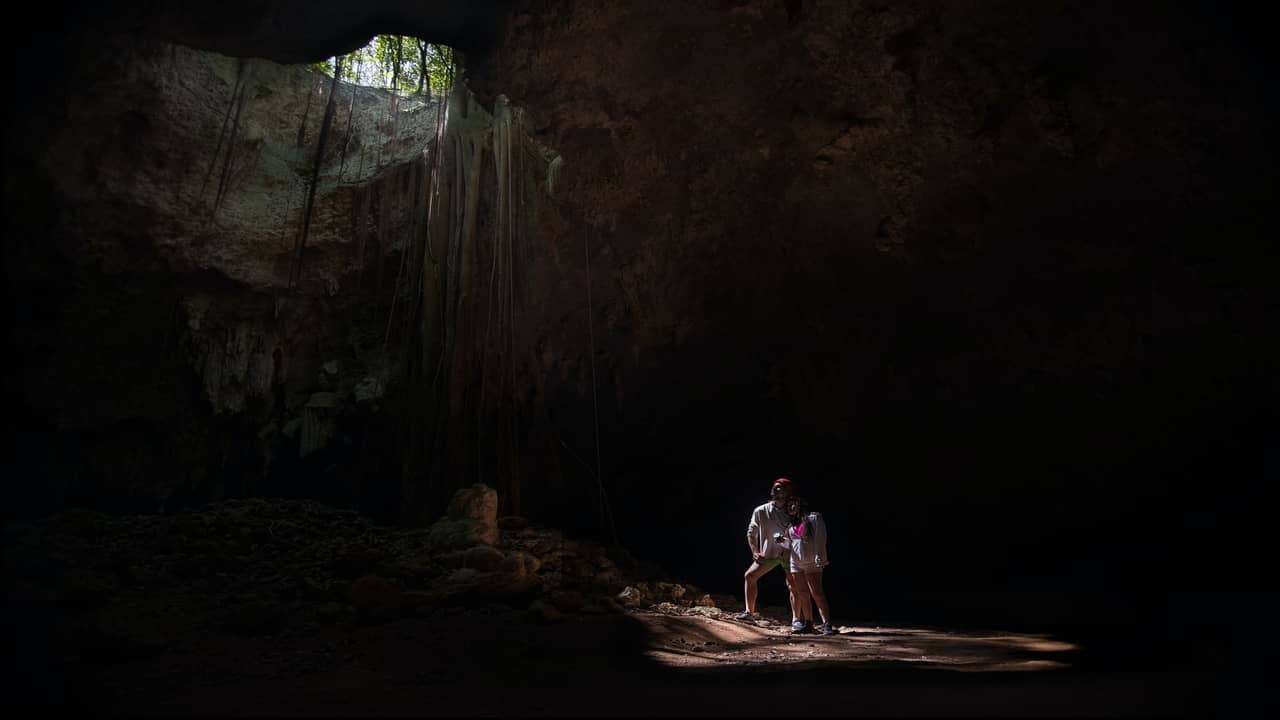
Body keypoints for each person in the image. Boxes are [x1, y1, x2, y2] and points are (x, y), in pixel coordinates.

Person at [738, 478, 799, 622]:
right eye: (776, 487)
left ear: (788, 492)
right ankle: (749, 612)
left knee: (793, 586)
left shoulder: (793, 511)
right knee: (750, 576)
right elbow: (751, 532)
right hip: (769, 553)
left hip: (789, 554)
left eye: (781, 488)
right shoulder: (761, 510)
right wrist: (755, 551)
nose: (777, 490)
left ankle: (796, 619)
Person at [784, 495, 835, 635]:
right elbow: (792, 544)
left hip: (812, 561)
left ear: (800, 504)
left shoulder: (813, 518)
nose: (791, 507)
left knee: (817, 593)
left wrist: (821, 556)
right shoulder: (790, 524)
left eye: (793, 504)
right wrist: (782, 541)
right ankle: (809, 623)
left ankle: (826, 624)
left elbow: (821, 537)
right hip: (796, 563)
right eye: (788, 506)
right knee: (802, 593)